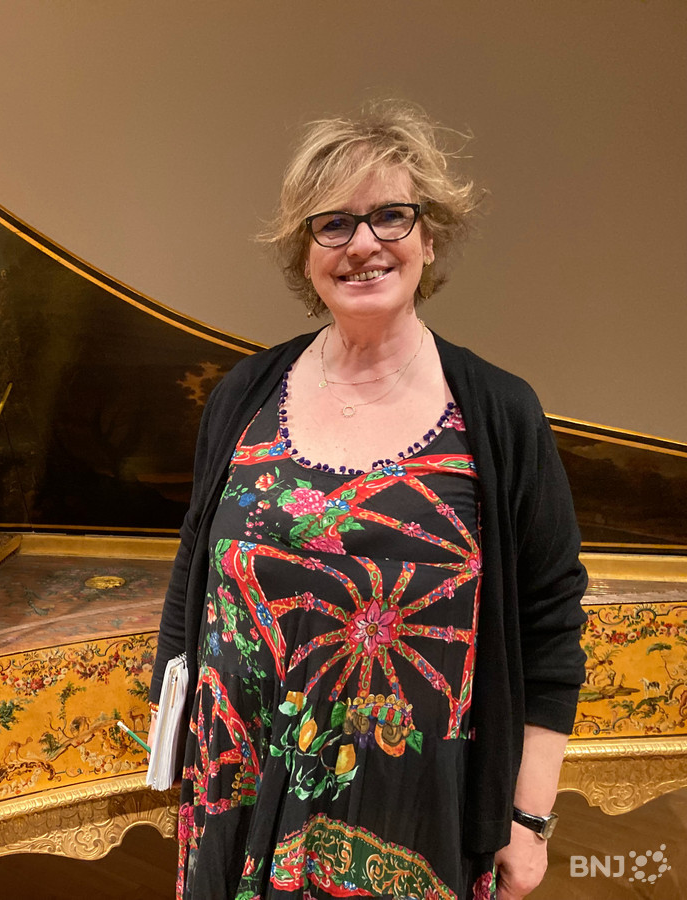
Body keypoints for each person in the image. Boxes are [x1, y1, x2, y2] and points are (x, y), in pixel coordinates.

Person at [150, 101, 587, 900]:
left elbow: (551, 622)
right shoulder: (244, 394)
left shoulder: (498, 412)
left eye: (390, 216)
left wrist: (528, 819)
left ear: (429, 237)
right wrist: (170, 738)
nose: (363, 244)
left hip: (418, 811)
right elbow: (193, 572)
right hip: (236, 793)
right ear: (305, 251)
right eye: (334, 224)